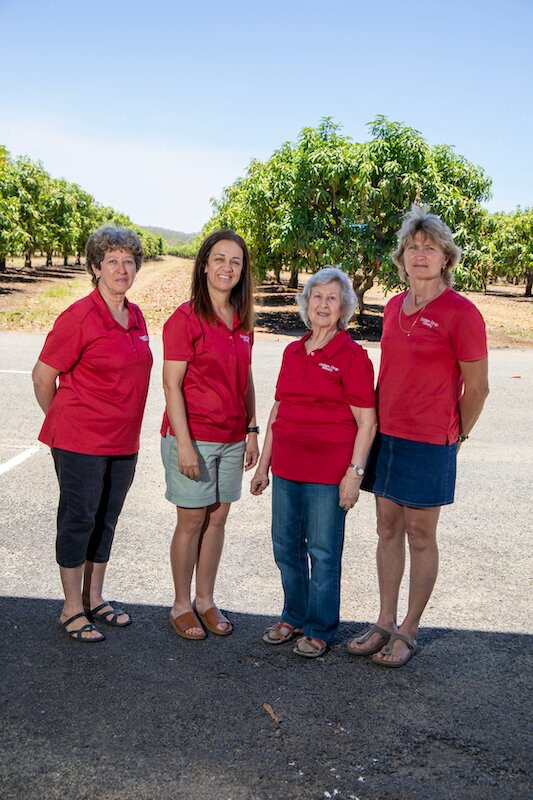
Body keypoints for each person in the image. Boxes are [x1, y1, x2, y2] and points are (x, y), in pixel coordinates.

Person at [348, 205, 489, 667]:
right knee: (386, 528)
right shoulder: (392, 306)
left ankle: (409, 629)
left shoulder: (462, 313)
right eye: (413, 247)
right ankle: (384, 621)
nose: (421, 254)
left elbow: (479, 387)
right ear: (402, 257)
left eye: (430, 248)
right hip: (388, 436)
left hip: (432, 442)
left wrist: (458, 435)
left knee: (420, 536)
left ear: (446, 257)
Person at [32, 226, 152, 642]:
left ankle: (94, 597)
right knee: (78, 520)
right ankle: (70, 607)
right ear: (96, 268)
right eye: (112, 261)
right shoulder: (79, 317)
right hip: (80, 441)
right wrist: (66, 422)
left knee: (107, 519)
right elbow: (42, 376)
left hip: (123, 441)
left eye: (128, 261)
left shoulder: (135, 315)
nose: (122, 269)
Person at [251, 266, 377, 658]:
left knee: (322, 552)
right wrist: (263, 466)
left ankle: (320, 627)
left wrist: (354, 475)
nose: (323, 305)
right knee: (286, 546)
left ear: (344, 308)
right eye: (317, 297)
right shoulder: (292, 350)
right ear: (307, 304)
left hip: (328, 473)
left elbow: (367, 422)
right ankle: (293, 615)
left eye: (332, 298)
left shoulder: (353, 356)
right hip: (287, 468)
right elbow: (278, 409)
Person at [161, 230, 259, 640]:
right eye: (219, 259)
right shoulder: (184, 320)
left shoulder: (243, 320)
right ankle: (181, 604)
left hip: (234, 436)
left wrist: (252, 429)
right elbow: (170, 385)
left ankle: (205, 599)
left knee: (218, 517)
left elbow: (245, 377)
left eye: (235, 262)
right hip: (193, 437)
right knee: (191, 519)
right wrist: (184, 443)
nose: (227, 267)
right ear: (204, 264)